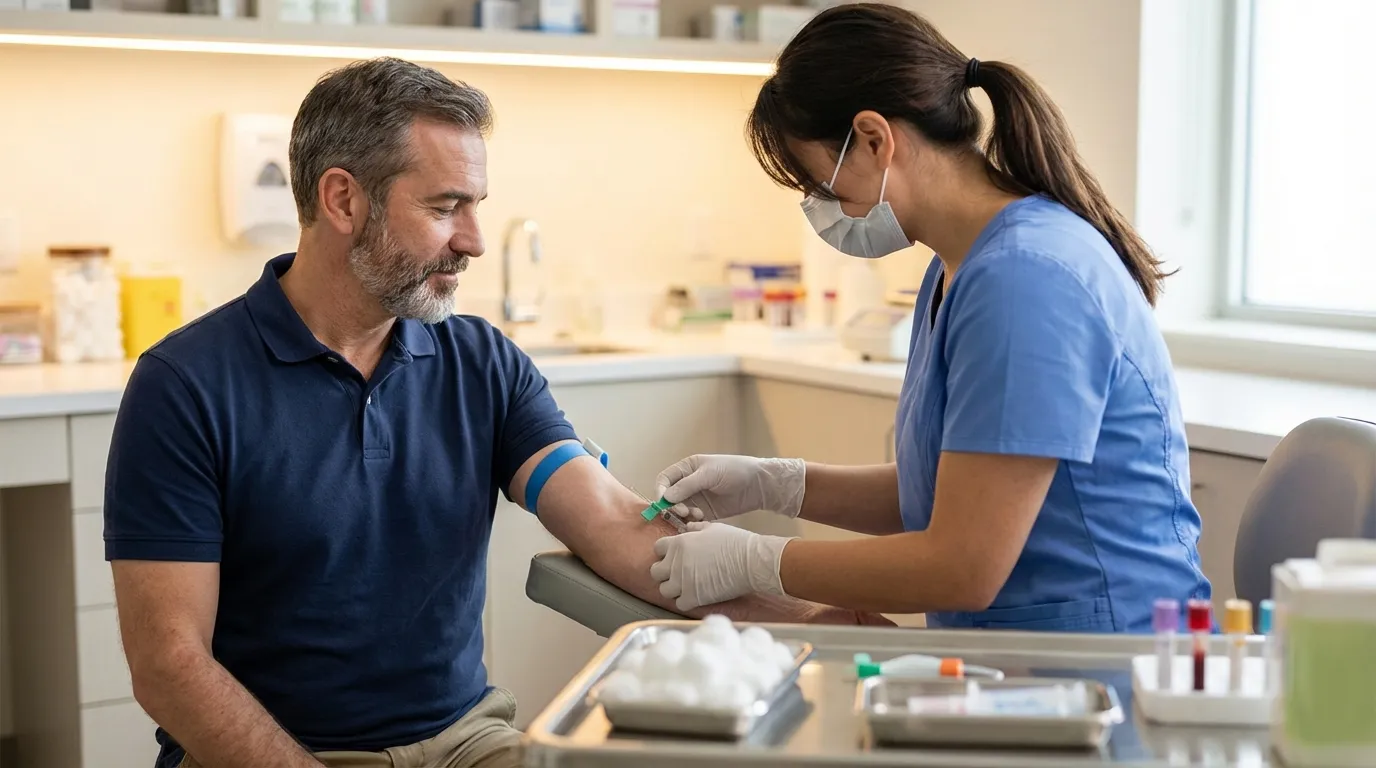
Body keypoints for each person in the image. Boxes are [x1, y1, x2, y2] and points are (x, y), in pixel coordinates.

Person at [105, 57, 870, 768]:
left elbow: (616, 528)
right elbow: (169, 665)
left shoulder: (479, 362)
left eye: (475, 206)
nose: (472, 240)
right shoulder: (187, 385)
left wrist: (809, 618)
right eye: (445, 207)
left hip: (466, 742)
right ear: (343, 199)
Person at [649, 3, 1212, 634]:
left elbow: (964, 563)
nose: (823, 208)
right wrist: (775, 485)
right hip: (1020, 665)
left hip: (1107, 666)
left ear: (873, 138)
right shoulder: (957, 267)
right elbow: (946, 491)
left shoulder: (1026, 279)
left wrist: (758, 562)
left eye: (820, 184)